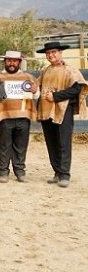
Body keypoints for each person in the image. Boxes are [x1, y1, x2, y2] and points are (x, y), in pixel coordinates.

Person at [35, 41, 88, 188]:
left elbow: (77, 89)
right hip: (46, 110)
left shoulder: (70, 70)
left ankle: (65, 174)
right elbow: (37, 86)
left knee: (63, 142)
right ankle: (57, 172)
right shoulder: (45, 71)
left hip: (64, 109)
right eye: (48, 53)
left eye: (54, 52)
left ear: (60, 53)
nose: (51, 55)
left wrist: (56, 96)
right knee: (51, 142)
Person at [0, 51, 38, 183]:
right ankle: (3, 171)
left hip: (23, 115)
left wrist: (35, 91)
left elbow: (37, 94)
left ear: (19, 62)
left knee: (21, 145)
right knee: (4, 144)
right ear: (5, 62)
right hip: (4, 116)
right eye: (9, 60)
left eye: (14, 61)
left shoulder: (28, 77)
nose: (11, 63)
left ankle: (20, 171)